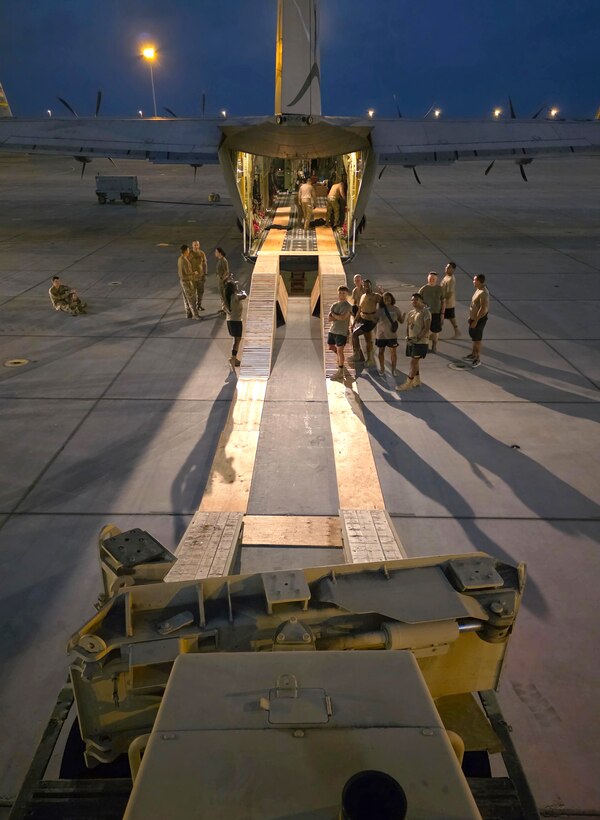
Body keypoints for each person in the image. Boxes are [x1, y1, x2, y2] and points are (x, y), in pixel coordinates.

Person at [397, 293, 431, 391]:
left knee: (413, 362)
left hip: (421, 342)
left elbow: (426, 327)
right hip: (412, 341)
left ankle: (408, 383)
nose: (414, 302)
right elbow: (408, 325)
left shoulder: (426, 312)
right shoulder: (411, 312)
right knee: (415, 361)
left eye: (416, 300)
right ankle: (417, 380)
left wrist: (418, 338)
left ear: (421, 301)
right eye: (412, 300)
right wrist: (408, 336)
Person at [350, 278, 382, 366]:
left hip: (371, 320)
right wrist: (354, 323)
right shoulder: (363, 296)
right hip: (363, 319)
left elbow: (384, 304)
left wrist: (378, 316)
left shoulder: (375, 295)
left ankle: (358, 355)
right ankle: (368, 358)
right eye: (365, 286)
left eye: (368, 285)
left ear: (371, 286)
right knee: (368, 339)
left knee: (355, 334)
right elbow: (359, 310)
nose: (366, 287)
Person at [376, 292, 405, 376]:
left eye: (388, 298)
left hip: (392, 335)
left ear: (392, 299)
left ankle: (394, 369)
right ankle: (382, 369)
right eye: (385, 298)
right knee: (381, 352)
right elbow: (374, 320)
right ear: (382, 300)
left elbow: (401, 321)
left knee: (393, 353)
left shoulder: (396, 309)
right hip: (381, 335)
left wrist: (404, 315)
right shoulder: (380, 310)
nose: (387, 300)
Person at [327, 285, 352, 379]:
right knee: (331, 346)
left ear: (347, 294)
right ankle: (341, 360)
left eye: (344, 293)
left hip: (342, 331)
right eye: (340, 292)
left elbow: (342, 318)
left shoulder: (348, 306)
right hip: (333, 330)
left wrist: (334, 314)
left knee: (340, 350)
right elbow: (329, 319)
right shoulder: (334, 305)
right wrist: (336, 316)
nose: (341, 294)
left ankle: (340, 370)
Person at [464, 274, 489, 367]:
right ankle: (473, 354)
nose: (473, 281)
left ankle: (477, 359)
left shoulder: (484, 293)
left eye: (475, 280)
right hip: (474, 318)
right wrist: (471, 317)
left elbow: (483, 309)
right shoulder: (478, 289)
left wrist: (476, 321)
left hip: (479, 319)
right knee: (474, 337)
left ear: (479, 281)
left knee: (477, 339)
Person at [419, 271, 445, 352]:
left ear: (436, 280)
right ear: (427, 279)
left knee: (435, 332)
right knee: (425, 331)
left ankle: (434, 346)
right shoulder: (423, 289)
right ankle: (425, 346)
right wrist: (423, 305)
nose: (431, 280)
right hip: (426, 314)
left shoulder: (440, 289)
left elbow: (444, 302)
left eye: (433, 279)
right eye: (430, 278)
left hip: (436, 314)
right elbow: (417, 301)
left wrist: (442, 313)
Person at [223, 279, 247, 367]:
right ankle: (233, 358)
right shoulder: (235, 296)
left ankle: (234, 358)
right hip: (236, 321)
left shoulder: (227, 297)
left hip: (229, 321)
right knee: (237, 340)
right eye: (234, 286)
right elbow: (244, 296)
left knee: (235, 339)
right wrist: (243, 291)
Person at [177, 245, 199, 320]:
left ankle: (188, 313)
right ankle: (195, 315)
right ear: (186, 251)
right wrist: (194, 273)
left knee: (185, 298)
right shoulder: (185, 261)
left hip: (182, 281)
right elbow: (187, 272)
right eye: (188, 250)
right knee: (191, 298)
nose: (189, 252)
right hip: (187, 281)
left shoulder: (180, 259)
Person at [440, 262, 461, 337]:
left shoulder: (451, 279)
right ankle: (457, 331)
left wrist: (443, 300)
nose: (446, 268)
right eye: (446, 267)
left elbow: (449, 292)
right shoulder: (447, 276)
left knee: (441, 317)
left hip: (447, 303)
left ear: (453, 269)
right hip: (446, 302)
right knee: (451, 317)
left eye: (449, 267)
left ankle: (436, 333)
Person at [189, 239, 207, 313]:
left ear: (199, 245)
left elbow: (205, 263)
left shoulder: (202, 253)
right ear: (192, 245)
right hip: (192, 277)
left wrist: (205, 273)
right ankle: (192, 307)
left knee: (200, 292)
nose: (196, 246)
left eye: (197, 245)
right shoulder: (189, 254)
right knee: (192, 293)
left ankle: (199, 305)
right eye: (194, 245)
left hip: (200, 276)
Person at [215, 247, 229, 315]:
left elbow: (226, 272)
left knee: (224, 296)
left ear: (219, 253)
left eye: (216, 252)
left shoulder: (223, 261)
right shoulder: (220, 260)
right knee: (222, 296)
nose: (215, 253)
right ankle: (224, 308)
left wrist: (223, 280)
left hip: (222, 282)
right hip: (220, 281)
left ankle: (226, 309)